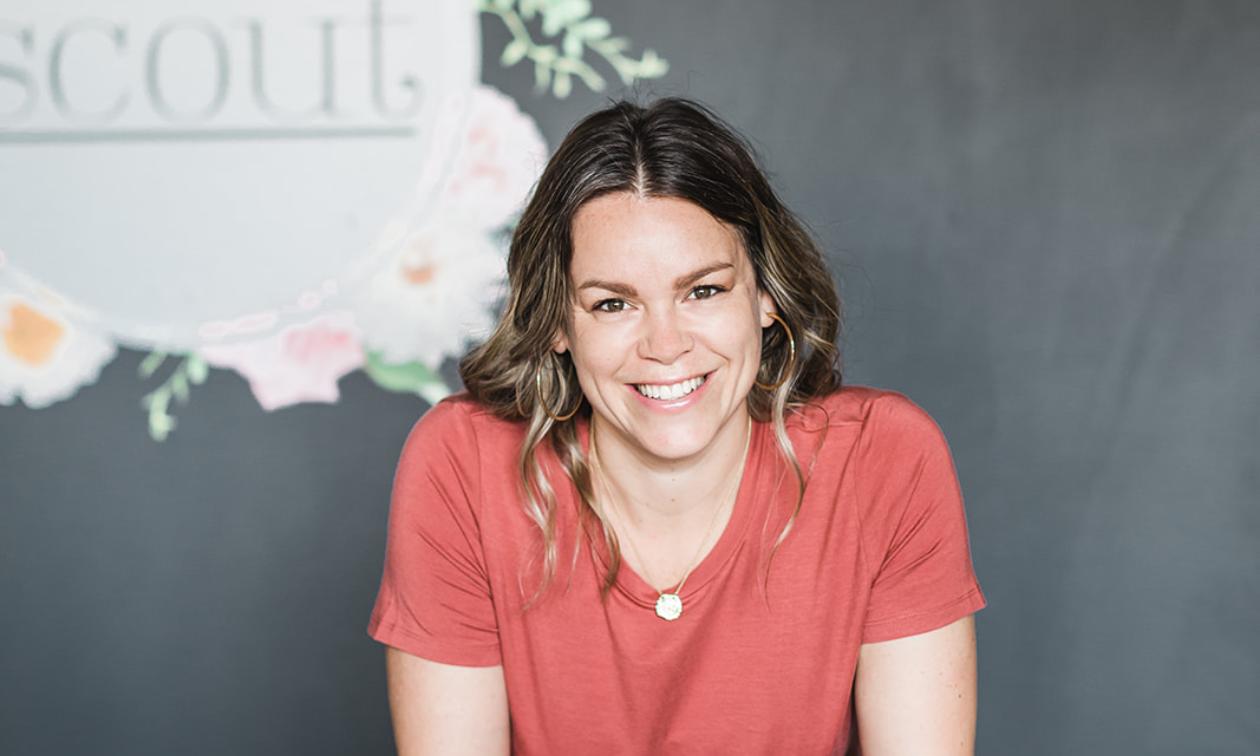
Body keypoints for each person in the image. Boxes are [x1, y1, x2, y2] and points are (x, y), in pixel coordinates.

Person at [369, 97, 985, 755]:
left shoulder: (883, 460)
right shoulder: (463, 464)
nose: (665, 344)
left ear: (765, 295)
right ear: (557, 325)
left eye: (703, 291)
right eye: (613, 303)